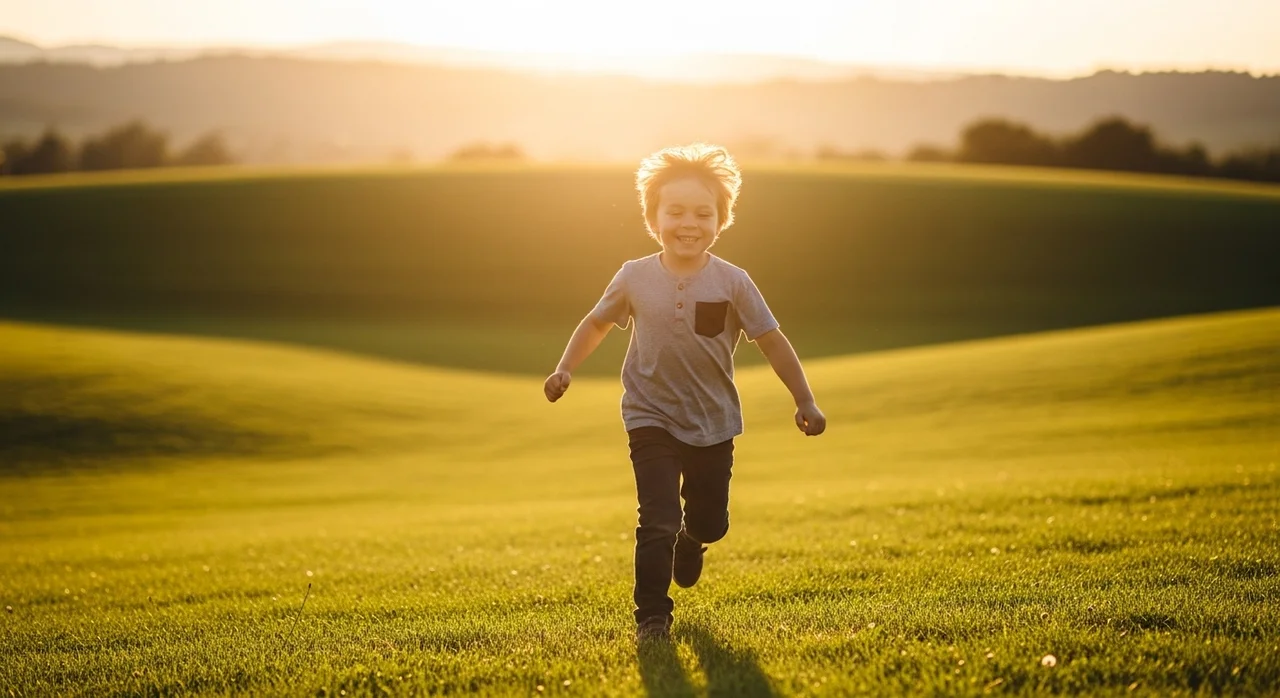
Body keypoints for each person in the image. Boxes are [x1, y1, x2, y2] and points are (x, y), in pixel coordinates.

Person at [543, 143, 826, 643]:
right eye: (674, 212)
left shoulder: (734, 282)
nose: (688, 223)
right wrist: (565, 368)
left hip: (714, 422)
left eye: (703, 212)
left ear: (722, 220)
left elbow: (772, 341)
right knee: (656, 518)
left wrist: (804, 399)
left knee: (709, 522)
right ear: (653, 218)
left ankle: (694, 541)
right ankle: (652, 617)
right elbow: (597, 322)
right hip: (649, 416)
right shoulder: (634, 276)